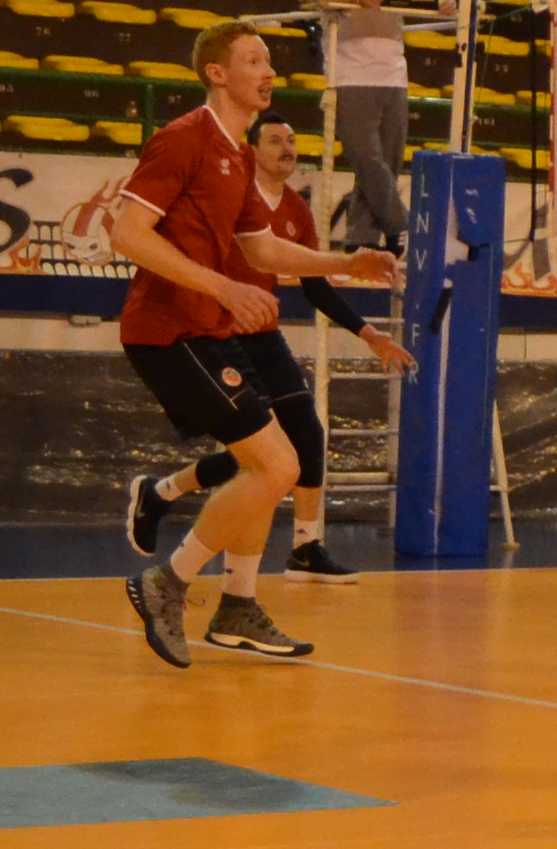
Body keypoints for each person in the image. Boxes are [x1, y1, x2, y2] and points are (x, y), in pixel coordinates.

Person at [107, 22, 400, 666]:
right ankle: (168, 582)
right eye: (253, 60)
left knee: (270, 467)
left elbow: (262, 250)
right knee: (276, 467)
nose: (268, 72)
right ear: (216, 73)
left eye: (269, 61)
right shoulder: (183, 138)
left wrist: (345, 263)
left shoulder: (238, 156)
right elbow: (127, 234)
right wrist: (223, 287)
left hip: (209, 329)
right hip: (168, 331)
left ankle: (236, 605)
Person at [129, 114, 418, 582]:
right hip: (219, 330)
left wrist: (369, 332)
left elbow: (311, 282)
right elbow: (151, 239)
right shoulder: (225, 187)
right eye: (275, 140)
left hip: (262, 331)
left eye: (292, 139)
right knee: (262, 456)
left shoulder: (296, 210)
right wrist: (225, 295)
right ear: (252, 150)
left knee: (303, 434)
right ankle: (168, 509)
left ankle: (304, 547)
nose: (286, 147)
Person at [302, 0, 418, 252]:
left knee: (388, 163)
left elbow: (416, 0)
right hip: (351, 73)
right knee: (368, 160)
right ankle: (405, 224)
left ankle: (361, 238)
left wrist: (442, 5)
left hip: (394, 74)